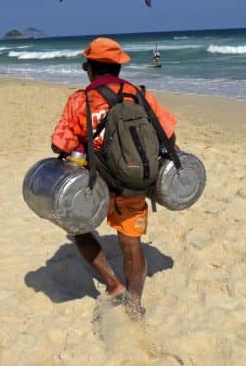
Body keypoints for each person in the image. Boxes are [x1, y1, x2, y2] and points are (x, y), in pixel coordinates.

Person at [50, 37, 177, 320]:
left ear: (90, 69)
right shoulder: (141, 95)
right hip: (133, 184)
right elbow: (168, 136)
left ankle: (113, 284)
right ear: (119, 68)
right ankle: (134, 304)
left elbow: (60, 145)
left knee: (78, 228)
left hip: (94, 187)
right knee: (132, 245)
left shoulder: (80, 100)